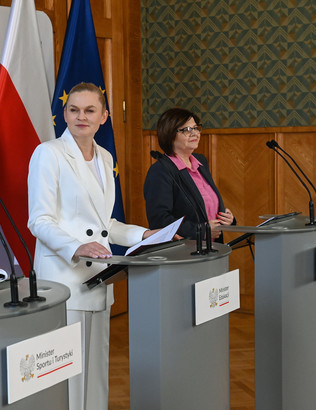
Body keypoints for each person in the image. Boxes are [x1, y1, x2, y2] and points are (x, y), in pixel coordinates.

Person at [28, 82, 154, 410]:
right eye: (73, 109)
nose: (80, 116)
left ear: (104, 116)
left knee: (95, 372)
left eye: (89, 110)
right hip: (64, 280)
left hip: (99, 279)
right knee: (67, 376)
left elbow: (105, 226)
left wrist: (145, 236)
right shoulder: (49, 153)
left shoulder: (105, 156)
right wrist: (77, 246)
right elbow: (39, 221)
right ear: (64, 114)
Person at [144, 107, 235, 242]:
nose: (195, 133)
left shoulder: (200, 162)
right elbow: (160, 220)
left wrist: (227, 219)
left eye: (196, 128)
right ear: (170, 134)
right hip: (183, 252)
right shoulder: (161, 170)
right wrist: (201, 231)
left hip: (213, 248)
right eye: (186, 130)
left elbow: (205, 206)